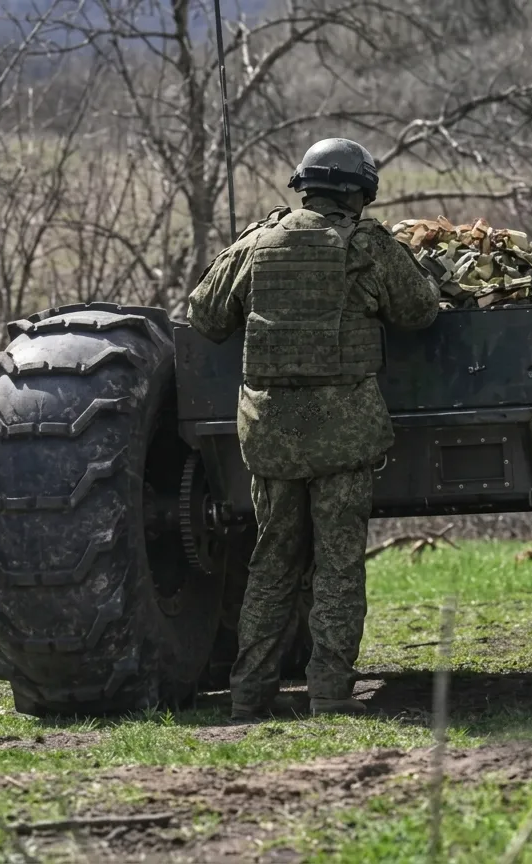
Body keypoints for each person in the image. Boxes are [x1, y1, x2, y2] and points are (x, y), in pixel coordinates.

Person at [186, 137, 440, 720]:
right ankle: (329, 691)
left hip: (271, 437)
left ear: (303, 185)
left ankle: (250, 693)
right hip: (345, 437)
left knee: (271, 562)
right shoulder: (368, 245)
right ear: (360, 191)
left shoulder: (256, 242)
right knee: (338, 565)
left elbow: (205, 316)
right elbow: (420, 311)